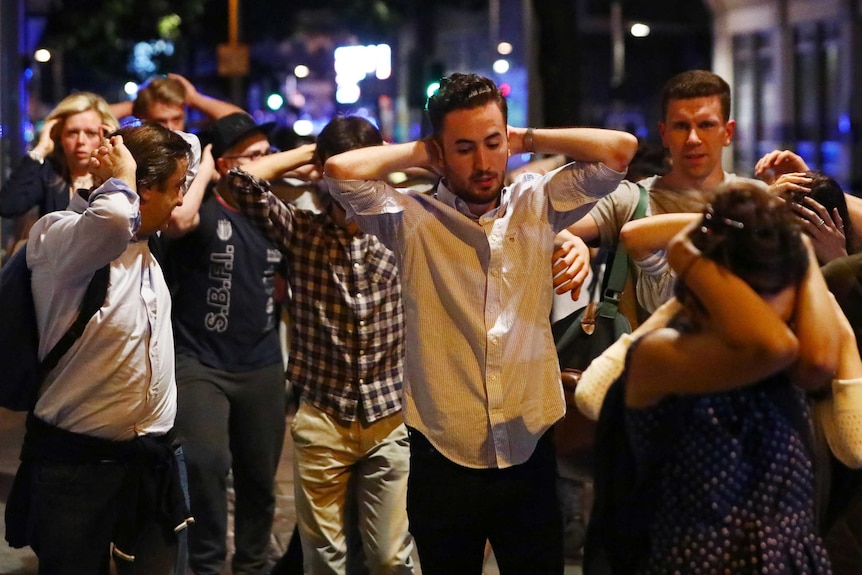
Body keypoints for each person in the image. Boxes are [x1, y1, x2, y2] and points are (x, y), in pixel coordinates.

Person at [324, 72, 638, 574]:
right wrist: (420, 152)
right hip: (443, 450)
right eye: (464, 147)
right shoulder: (410, 216)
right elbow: (339, 170)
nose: (484, 161)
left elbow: (619, 150)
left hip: (529, 445)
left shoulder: (538, 201)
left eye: (494, 143)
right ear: (441, 152)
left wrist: (527, 139)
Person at [585, 182, 838, 574]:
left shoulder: (790, 352)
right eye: (753, 294)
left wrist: (798, 245)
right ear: (715, 288)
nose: (770, 311)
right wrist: (686, 254)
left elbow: (820, 362)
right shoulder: (660, 354)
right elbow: (773, 348)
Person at [228, 115, 414, 574]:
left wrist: (386, 159)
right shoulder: (302, 230)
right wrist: (315, 157)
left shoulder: (407, 226)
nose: (352, 190)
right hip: (323, 418)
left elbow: (455, 178)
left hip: (390, 415)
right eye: (342, 178)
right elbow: (240, 180)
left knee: (391, 558)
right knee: (324, 562)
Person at [4, 123, 193, 574]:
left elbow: (193, 148)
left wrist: (121, 154)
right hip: (77, 471)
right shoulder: (60, 234)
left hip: (153, 462)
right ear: (141, 192)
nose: (183, 199)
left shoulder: (145, 242)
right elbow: (110, 221)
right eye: (176, 188)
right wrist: (118, 173)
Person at [158, 111, 285, 575]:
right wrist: (206, 167)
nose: (266, 163)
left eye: (267, 154)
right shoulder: (202, 209)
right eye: (253, 156)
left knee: (259, 480)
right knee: (206, 464)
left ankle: (252, 564)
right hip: (201, 362)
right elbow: (177, 223)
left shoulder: (275, 213)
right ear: (227, 164)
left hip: (261, 364)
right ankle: (207, 563)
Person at [568, 69, 764, 320]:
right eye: (681, 126)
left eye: (706, 125)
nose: (693, 139)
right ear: (664, 133)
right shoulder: (633, 199)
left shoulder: (757, 200)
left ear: (727, 132)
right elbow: (547, 227)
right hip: (649, 353)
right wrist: (571, 242)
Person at [0, 92, 119, 251]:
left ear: (105, 135)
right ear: (59, 135)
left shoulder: (114, 177)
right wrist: (41, 148)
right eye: (72, 132)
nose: (80, 142)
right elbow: (7, 205)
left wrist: (116, 148)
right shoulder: (50, 173)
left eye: (90, 133)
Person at [111, 73, 244, 131]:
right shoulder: (131, 155)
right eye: (160, 121)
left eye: (176, 119)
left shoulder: (197, 149)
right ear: (142, 118)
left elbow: (243, 122)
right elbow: (91, 119)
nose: (171, 128)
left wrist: (196, 99)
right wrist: (134, 105)